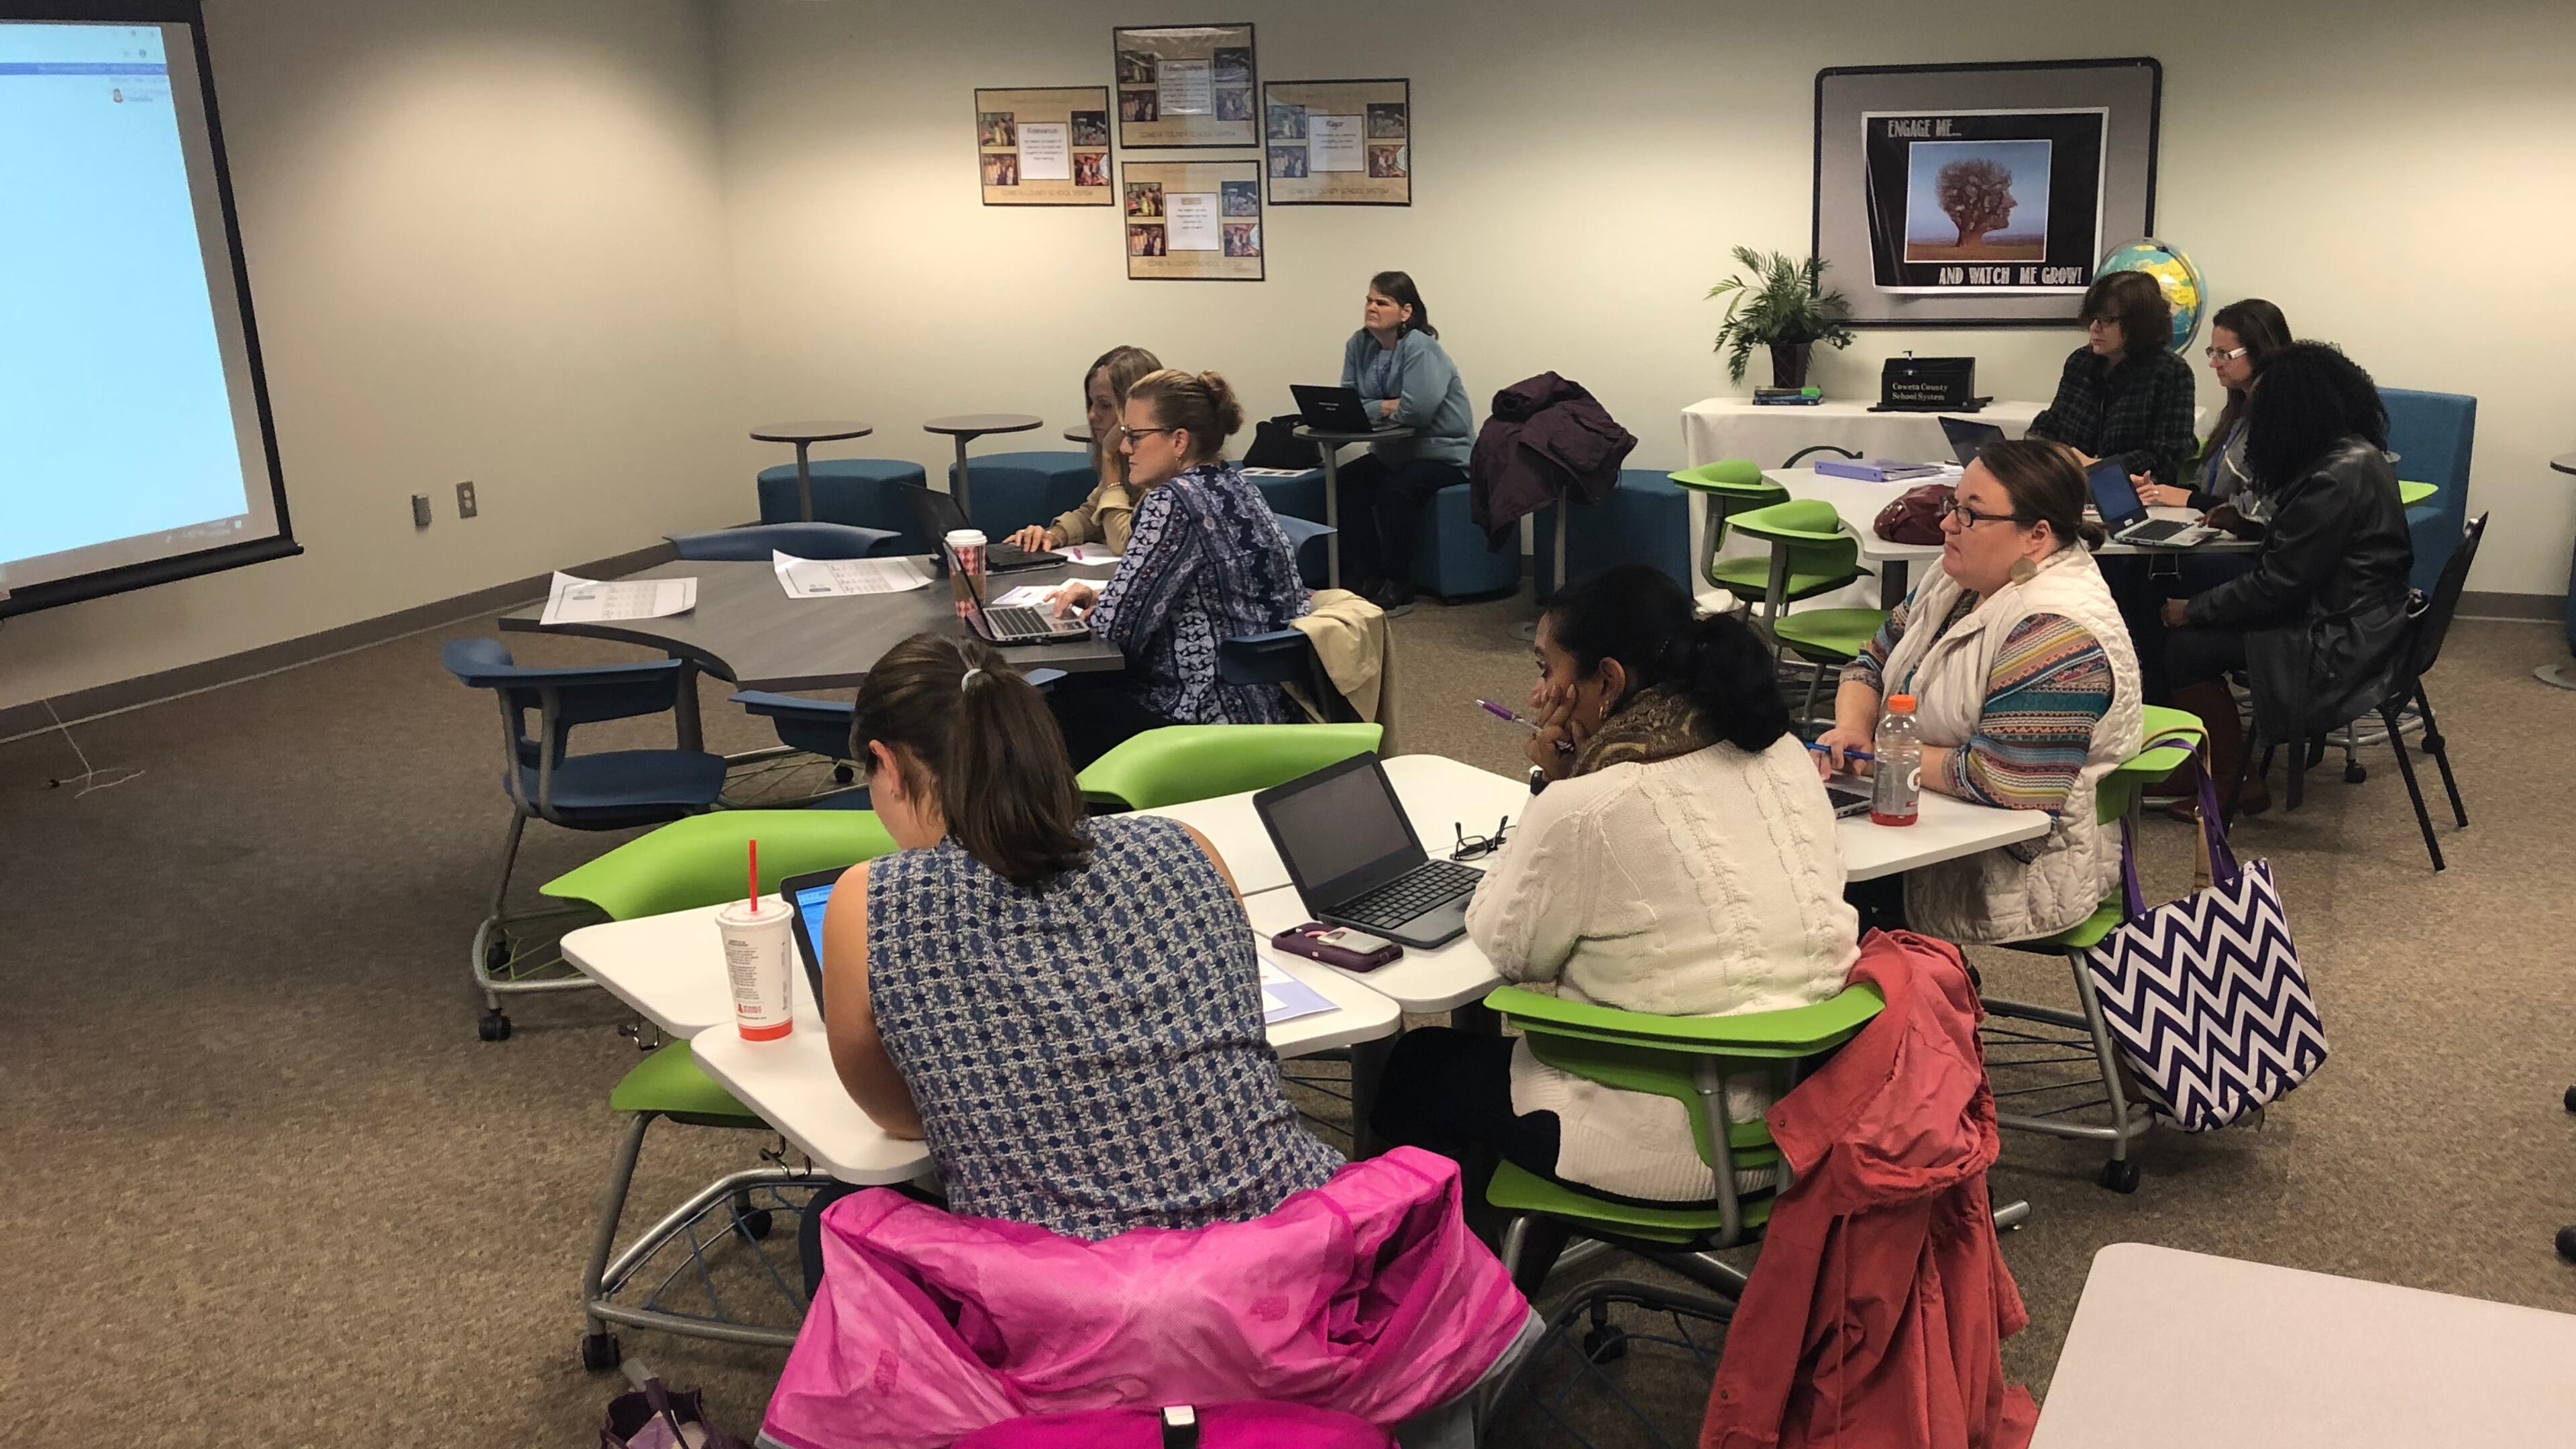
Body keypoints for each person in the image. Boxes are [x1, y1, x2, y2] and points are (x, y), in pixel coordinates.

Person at [817, 633, 1342, 1240]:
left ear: (891, 766)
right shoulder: (1183, 845)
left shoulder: (872, 897)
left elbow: (901, 1118)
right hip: (1294, 1242)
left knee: (837, 1222)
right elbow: (1238, 1043)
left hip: (1070, 1299)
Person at [1370, 565, 1860, 1212]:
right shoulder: (1781, 754)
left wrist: (1554, 786)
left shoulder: (1589, 805)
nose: (1539, 693)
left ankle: (1474, 1296)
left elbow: (1510, 949)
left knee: (1417, 1067)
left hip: (1678, 1142)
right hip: (1813, 1114)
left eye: (1548, 670)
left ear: (1609, 680)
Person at [1818, 439, 2144, 945]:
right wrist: (1853, 729)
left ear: (2036, 536)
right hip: (1927, 822)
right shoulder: (1956, 582)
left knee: (1808, 898)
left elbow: (2009, 779)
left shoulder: (2056, 630)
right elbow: (1871, 662)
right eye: (1952, 504)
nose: (1947, 523)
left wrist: (1886, 754)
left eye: (1971, 514)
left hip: (2013, 869)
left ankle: (1919, 1010)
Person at [2157, 342, 2414, 818]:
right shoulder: (2354, 456)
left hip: (2338, 638)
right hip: (2365, 619)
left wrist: (2191, 609)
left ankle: (2233, 781)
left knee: (2186, 647)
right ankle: (2200, 762)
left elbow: (2277, 587)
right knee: (2196, 611)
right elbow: (2311, 549)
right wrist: (2251, 524)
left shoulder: (2331, 479)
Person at [1045, 368, 1309, 765]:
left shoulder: (1173, 502)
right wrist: (1105, 595)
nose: (1125, 448)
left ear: (1180, 440)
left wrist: (1105, 605)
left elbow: (1116, 630)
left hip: (1202, 715)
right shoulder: (1235, 485)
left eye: (1134, 436)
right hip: (1270, 705)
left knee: (1035, 721)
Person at [1334, 271, 1472, 612]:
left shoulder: (1421, 348)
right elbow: (1346, 403)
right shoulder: (1358, 344)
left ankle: (1398, 580)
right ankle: (1367, 574)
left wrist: (1379, 409)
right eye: (1369, 300)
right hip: (1392, 453)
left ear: (1406, 312)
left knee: (1395, 490)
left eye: (1382, 302)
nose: (1371, 308)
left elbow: (1418, 411)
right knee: (1344, 483)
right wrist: (1385, 405)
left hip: (1443, 455)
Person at [2026, 270, 2199, 491]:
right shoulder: (2081, 362)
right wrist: (2043, 449)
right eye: (2094, 318)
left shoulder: (2172, 373)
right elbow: (2052, 423)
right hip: (2072, 487)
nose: (2094, 328)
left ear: (2139, 324)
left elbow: (2166, 457)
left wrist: (2099, 467)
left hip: (2137, 495)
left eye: (2107, 320)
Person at [1007, 345, 1160, 557]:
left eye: (1105, 405)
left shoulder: (1164, 469)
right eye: (1091, 403)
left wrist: (1109, 457)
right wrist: (1053, 534)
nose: (1091, 415)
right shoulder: (1127, 458)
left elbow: (1125, 544)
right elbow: (1093, 513)